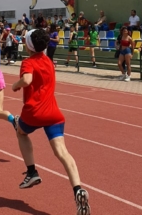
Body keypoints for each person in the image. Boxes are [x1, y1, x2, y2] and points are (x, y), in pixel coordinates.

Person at [11, 29, 90, 215]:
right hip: (53, 113)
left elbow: (27, 79)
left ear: (29, 46)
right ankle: (78, 189)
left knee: (21, 132)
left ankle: (31, 172)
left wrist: (15, 85)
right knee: (62, 152)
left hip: (33, 113)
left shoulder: (28, 62)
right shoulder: (48, 61)